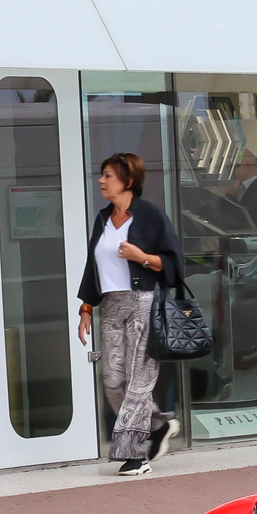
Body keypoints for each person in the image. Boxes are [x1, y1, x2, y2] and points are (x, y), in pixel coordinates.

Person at [75, 151, 181, 476]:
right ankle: (158, 423)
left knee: (138, 382)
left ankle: (135, 456)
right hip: (111, 306)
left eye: (108, 175)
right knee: (112, 380)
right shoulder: (103, 218)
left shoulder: (151, 216)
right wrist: (86, 307)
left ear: (128, 181)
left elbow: (175, 266)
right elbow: (93, 266)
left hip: (144, 301)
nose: (101, 181)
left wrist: (142, 256)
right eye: (102, 174)